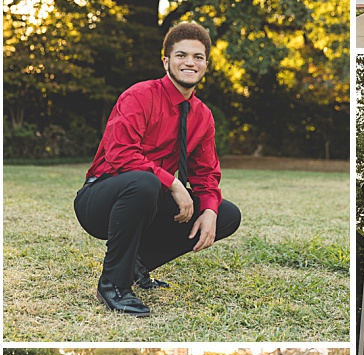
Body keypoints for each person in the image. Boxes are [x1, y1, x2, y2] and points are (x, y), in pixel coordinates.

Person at [74, 21, 241, 316]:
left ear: (206, 65)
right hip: (101, 198)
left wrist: (210, 211)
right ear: (166, 61)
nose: (189, 62)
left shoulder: (202, 116)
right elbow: (120, 154)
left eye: (198, 57)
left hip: (147, 200)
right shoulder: (139, 96)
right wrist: (174, 184)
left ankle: (138, 264)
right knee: (145, 182)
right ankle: (113, 285)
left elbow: (206, 174)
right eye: (181, 55)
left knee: (226, 214)